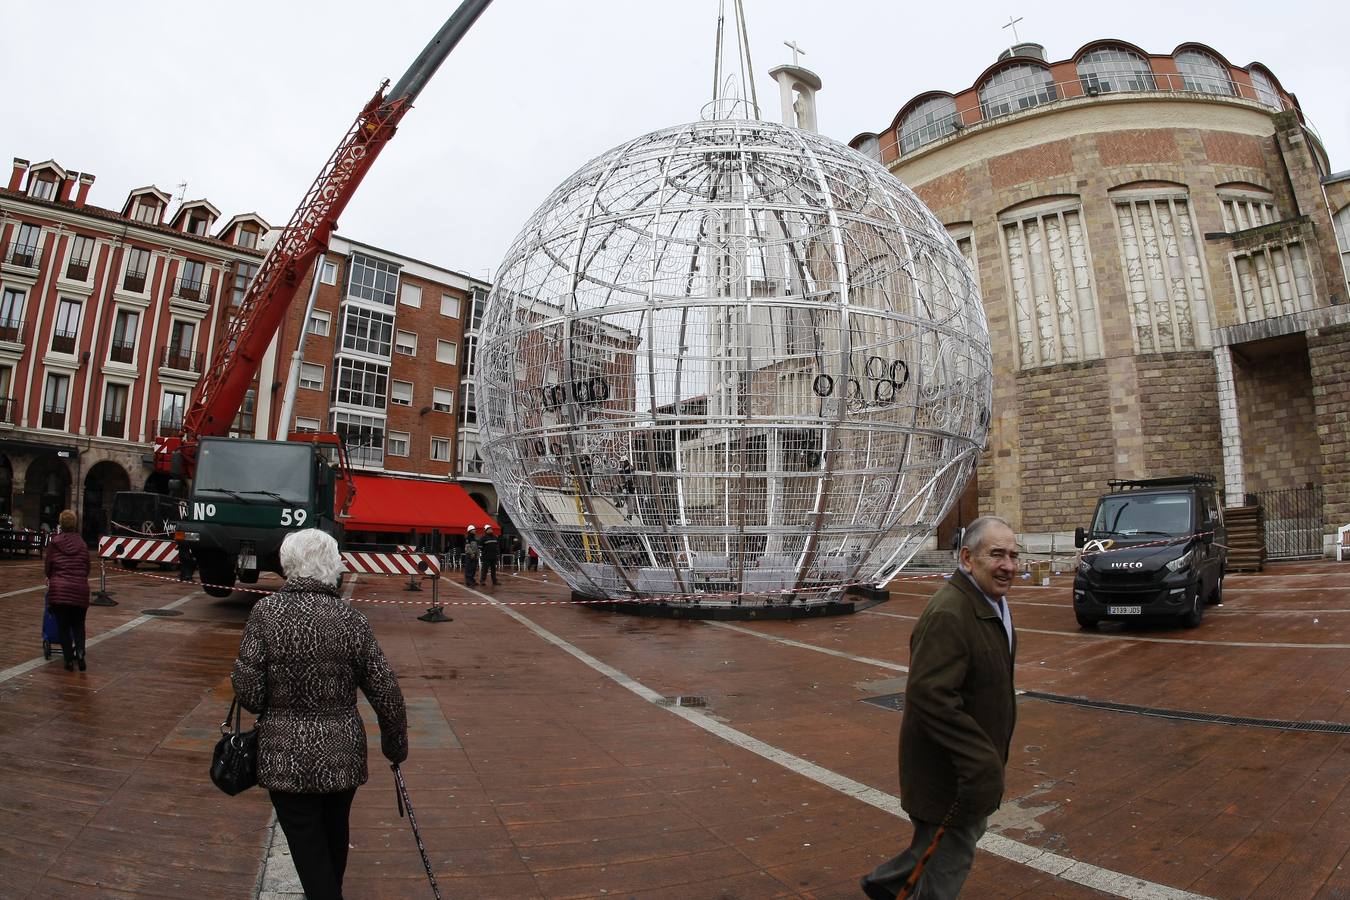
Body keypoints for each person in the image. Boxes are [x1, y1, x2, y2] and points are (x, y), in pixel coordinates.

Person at [232, 529, 408, 900]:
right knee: (333, 837)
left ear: (288, 564)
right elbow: (387, 692)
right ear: (333, 566)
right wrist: (395, 747)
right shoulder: (351, 619)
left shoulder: (265, 614)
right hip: (341, 753)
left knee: (309, 852)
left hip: (284, 756)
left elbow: (248, 694)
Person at [861, 515, 1018, 900]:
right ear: (967, 558)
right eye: (996, 554)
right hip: (951, 772)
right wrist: (980, 761)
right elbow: (930, 696)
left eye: (1014, 555)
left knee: (939, 842)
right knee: (951, 858)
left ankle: (885, 884)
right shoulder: (950, 613)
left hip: (970, 768)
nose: (1009, 565)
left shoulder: (991, 602)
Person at [45, 509, 91, 672]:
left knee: (63, 627)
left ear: (61, 524)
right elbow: (87, 567)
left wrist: (52, 577)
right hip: (80, 590)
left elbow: (48, 567)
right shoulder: (83, 544)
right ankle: (80, 653)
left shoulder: (54, 543)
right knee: (79, 625)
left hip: (60, 591)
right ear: (74, 524)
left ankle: (68, 660)